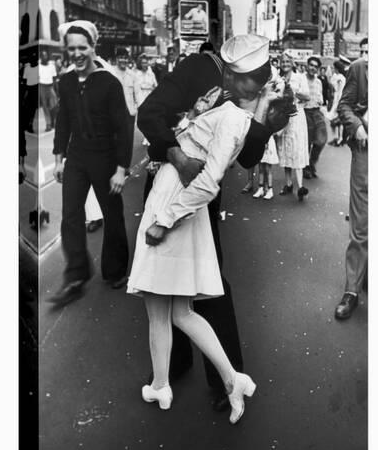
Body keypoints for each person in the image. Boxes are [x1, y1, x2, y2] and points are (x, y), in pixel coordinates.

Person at [128, 49, 292, 421]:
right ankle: (173, 374)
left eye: (262, 80)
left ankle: (215, 380)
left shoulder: (242, 102)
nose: (254, 86)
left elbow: (245, 159)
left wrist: (263, 114)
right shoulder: (199, 69)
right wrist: (177, 156)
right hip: (175, 181)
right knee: (176, 298)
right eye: (254, 79)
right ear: (233, 71)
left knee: (188, 292)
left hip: (184, 197)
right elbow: (150, 114)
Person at [49, 21, 132, 306]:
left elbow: (124, 127)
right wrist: (59, 159)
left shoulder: (109, 82)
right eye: (71, 48)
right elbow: (63, 121)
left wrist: (121, 169)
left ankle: (115, 270)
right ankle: (76, 273)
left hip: (105, 157)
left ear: (93, 47)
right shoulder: (66, 81)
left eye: (82, 47)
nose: (77, 53)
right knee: (71, 215)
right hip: (77, 157)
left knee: (112, 215)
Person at [334, 38, 368, 320]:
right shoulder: (359, 68)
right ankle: (352, 290)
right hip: (367, 153)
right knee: (361, 226)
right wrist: (356, 126)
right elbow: (344, 106)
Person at [277, 51, 310, 200]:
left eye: (287, 62)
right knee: (286, 148)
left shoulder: (299, 77)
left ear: (292, 63)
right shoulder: (278, 78)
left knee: (297, 148)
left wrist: (293, 91)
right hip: (284, 117)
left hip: (297, 116)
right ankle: (288, 183)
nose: (285, 64)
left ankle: (300, 186)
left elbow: (307, 97)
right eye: (283, 62)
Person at [111, 47, 140, 165]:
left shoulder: (132, 75)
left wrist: (140, 109)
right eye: (120, 58)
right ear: (116, 59)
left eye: (125, 58)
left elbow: (138, 95)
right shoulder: (110, 73)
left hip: (129, 112)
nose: (123, 60)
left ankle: (125, 165)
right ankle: (115, 165)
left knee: (128, 140)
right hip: (113, 112)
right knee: (114, 139)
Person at [303, 56, 328, 179]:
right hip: (305, 112)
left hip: (317, 112)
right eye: (311, 65)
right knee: (306, 142)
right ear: (307, 66)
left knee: (321, 140)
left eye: (315, 66)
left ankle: (312, 162)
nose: (313, 68)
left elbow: (321, 98)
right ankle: (306, 167)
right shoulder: (301, 79)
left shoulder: (319, 81)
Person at [327, 61, 347, 146]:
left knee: (340, 121)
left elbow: (340, 91)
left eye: (334, 68)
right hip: (336, 100)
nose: (333, 69)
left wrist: (339, 103)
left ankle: (340, 139)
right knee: (335, 121)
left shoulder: (340, 78)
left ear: (337, 68)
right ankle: (337, 138)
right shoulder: (337, 77)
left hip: (339, 100)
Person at [39, 50, 58, 131]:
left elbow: (54, 78)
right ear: (41, 57)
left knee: (54, 106)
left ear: (47, 56)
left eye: (45, 55)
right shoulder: (38, 67)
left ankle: (53, 122)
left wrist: (56, 90)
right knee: (45, 107)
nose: (44, 57)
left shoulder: (52, 66)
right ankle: (48, 124)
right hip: (42, 87)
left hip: (50, 87)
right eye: (43, 55)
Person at [22, 53, 40, 133]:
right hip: (29, 89)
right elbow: (25, 81)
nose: (33, 61)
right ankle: (26, 124)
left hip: (36, 89)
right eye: (31, 59)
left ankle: (30, 125)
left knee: (32, 110)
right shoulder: (27, 68)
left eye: (34, 59)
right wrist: (25, 93)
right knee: (27, 109)